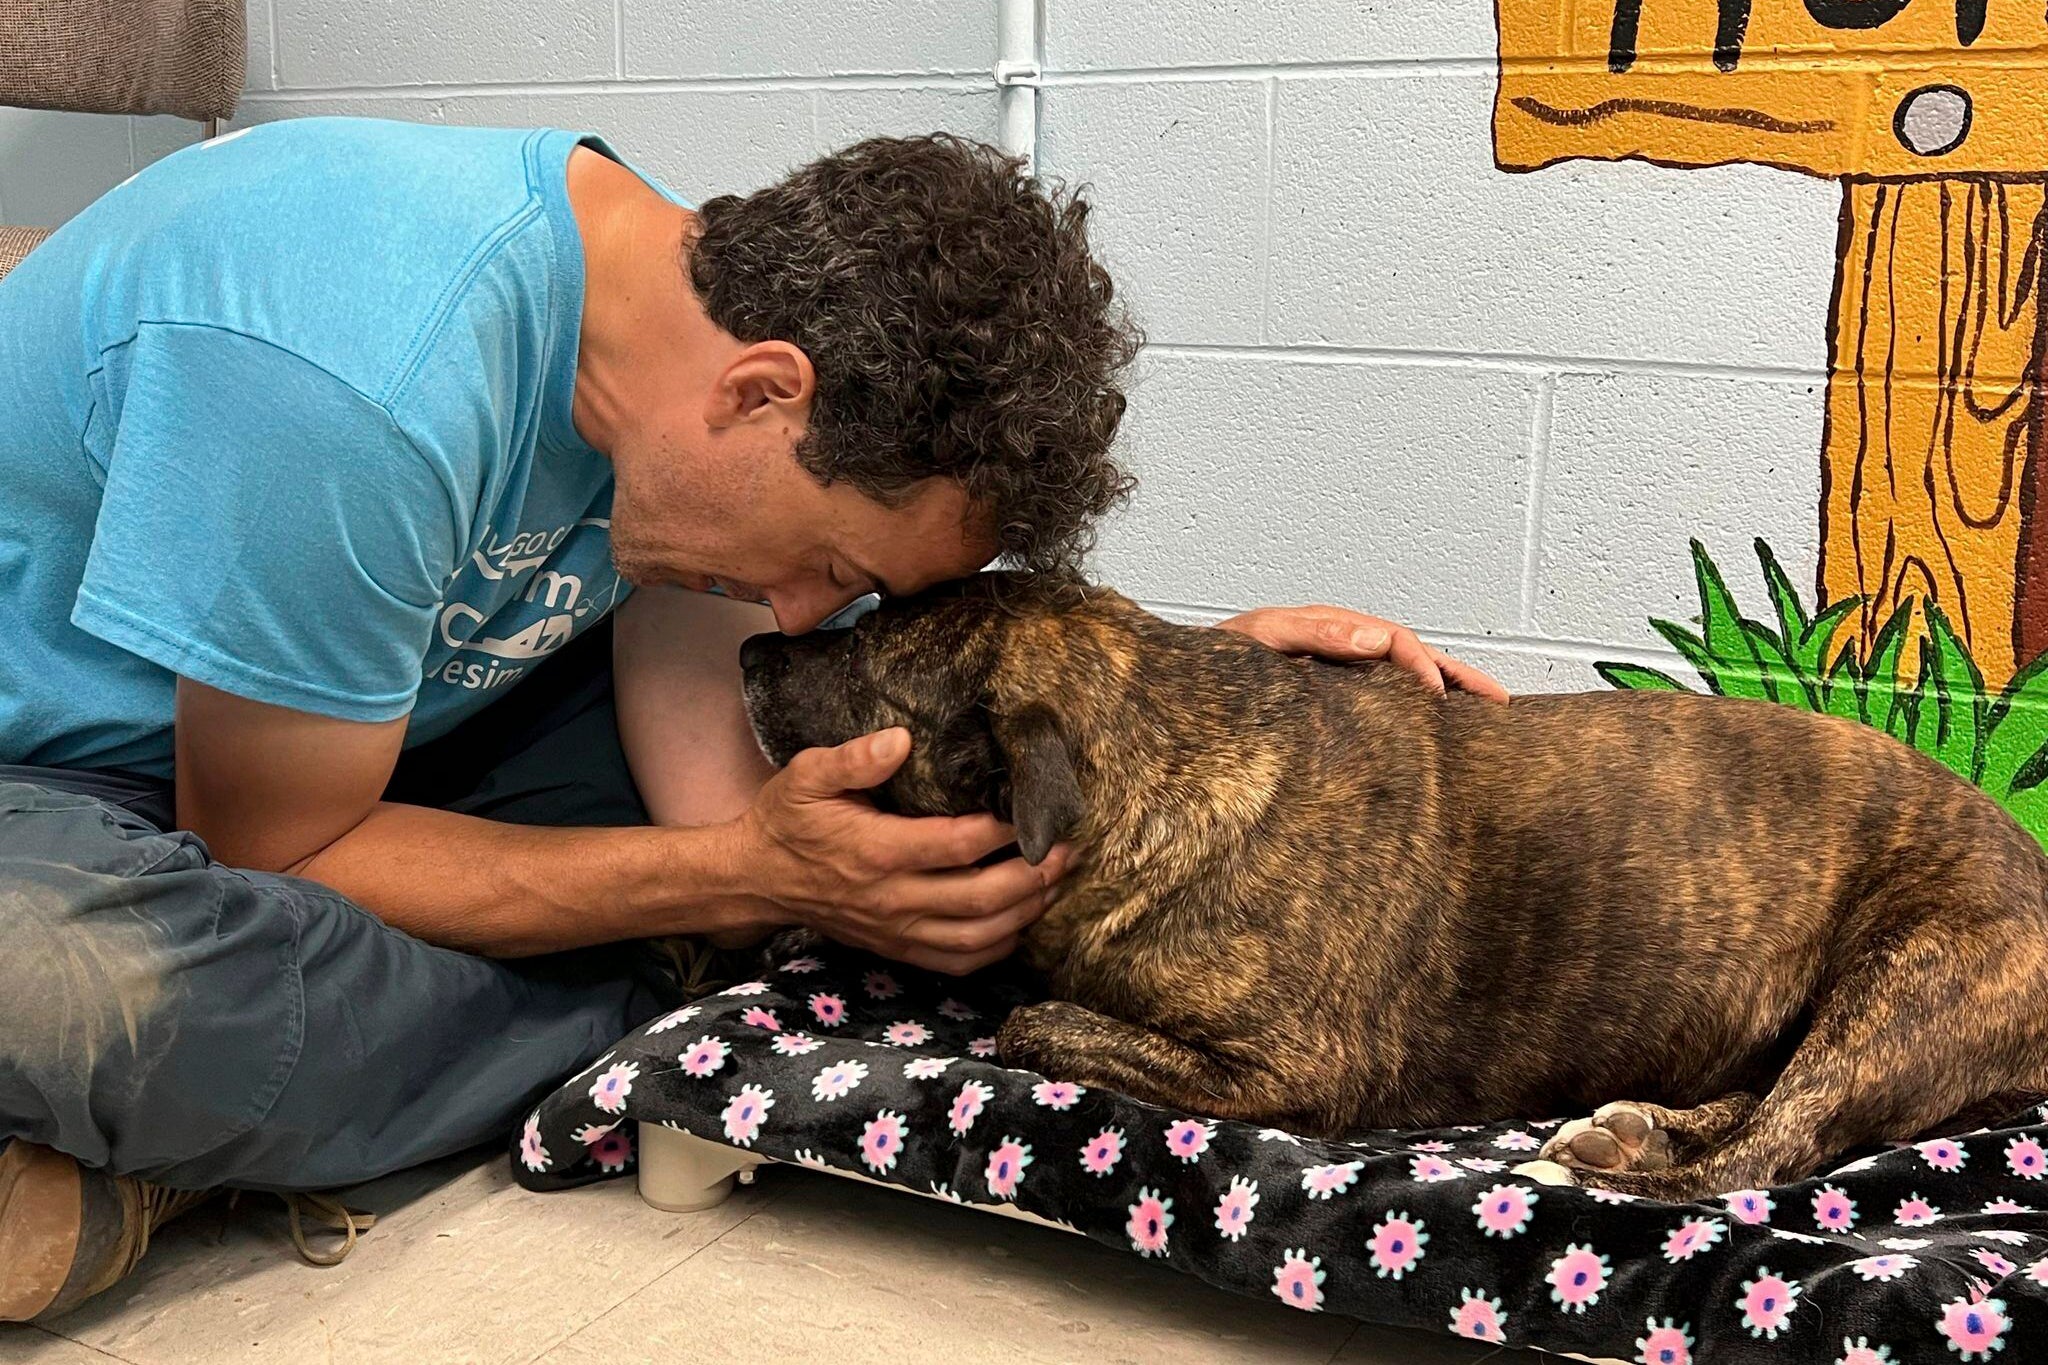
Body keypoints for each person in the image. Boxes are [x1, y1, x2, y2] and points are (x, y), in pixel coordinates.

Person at [0, 117, 1507, 1321]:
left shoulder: (672, 319)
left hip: (377, 729)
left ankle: (328, 1098)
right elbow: (273, 844)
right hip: (95, 779)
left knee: (877, 808)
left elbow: (771, 708)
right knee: (63, 988)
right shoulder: (362, 378)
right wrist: (741, 882)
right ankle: (598, 1026)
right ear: (765, 393)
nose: (807, 613)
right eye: (837, 567)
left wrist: (1189, 697)